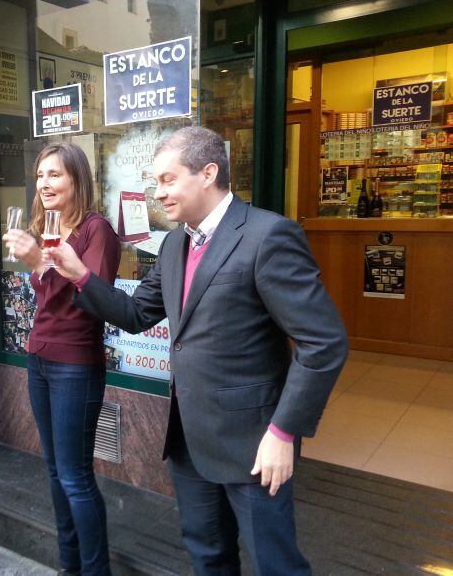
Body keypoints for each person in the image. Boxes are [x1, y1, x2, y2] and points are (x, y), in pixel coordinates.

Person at [48, 127, 348, 575]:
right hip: (189, 440)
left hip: (254, 442)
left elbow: (323, 343)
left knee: (276, 564)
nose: (158, 192)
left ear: (209, 173)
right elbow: (133, 314)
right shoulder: (174, 244)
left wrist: (284, 432)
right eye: (155, 182)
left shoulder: (268, 235)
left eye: (168, 180)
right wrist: (79, 276)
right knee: (207, 556)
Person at [4, 143, 121, 576]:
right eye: (39, 175)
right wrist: (38, 260)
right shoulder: (48, 227)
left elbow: (92, 301)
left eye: (54, 174)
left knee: (75, 477)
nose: (44, 183)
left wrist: (38, 260)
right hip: (40, 356)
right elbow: (47, 300)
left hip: (75, 362)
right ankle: (69, 566)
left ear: (76, 179)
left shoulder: (97, 231)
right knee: (54, 472)